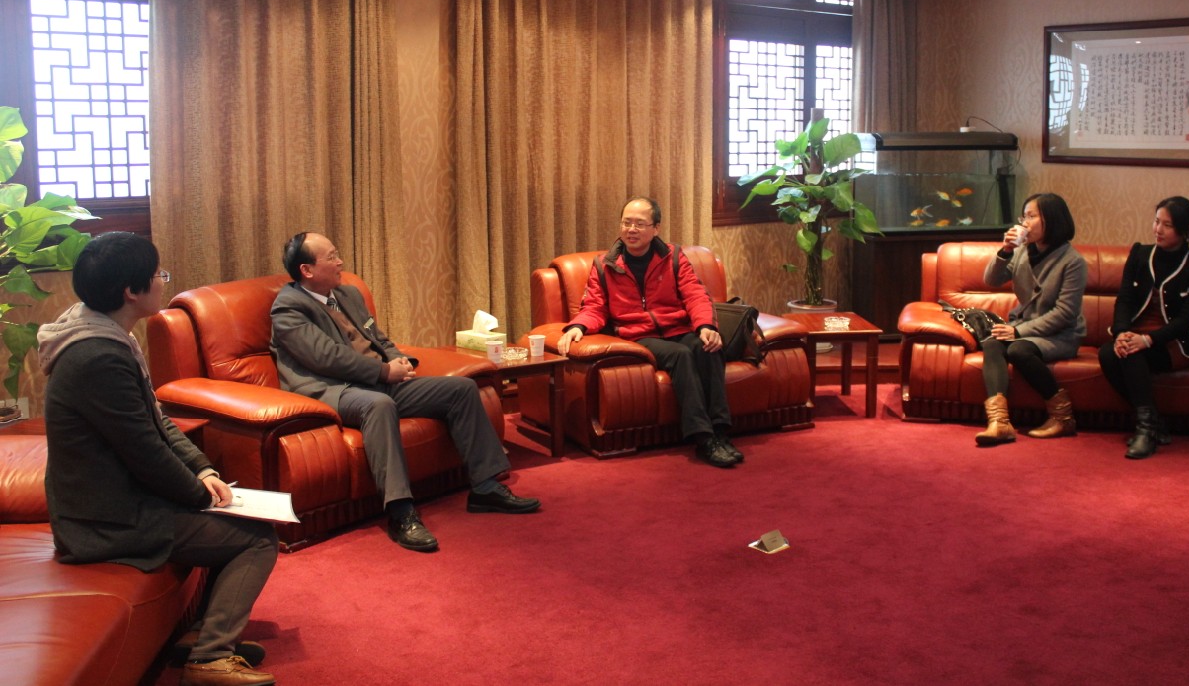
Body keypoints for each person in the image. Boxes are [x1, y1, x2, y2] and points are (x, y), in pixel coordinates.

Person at [39, 232, 278, 686]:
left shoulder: (102, 333)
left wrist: (202, 470)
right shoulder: (97, 357)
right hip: (104, 521)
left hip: (117, 502)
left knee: (235, 517)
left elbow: (156, 419)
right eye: (157, 275)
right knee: (257, 539)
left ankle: (199, 636)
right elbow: (145, 453)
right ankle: (209, 658)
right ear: (131, 291)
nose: (162, 282)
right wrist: (200, 498)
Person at [271, 232, 539, 553]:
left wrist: (402, 362)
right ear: (307, 270)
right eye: (331, 257)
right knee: (379, 405)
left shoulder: (348, 294)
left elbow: (379, 338)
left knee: (462, 389)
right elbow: (327, 357)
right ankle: (401, 513)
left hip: (379, 382)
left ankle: (485, 486)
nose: (340, 262)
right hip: (335, 390)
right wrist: (384, 372)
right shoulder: (289, 308)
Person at [556, 197, 740, 468]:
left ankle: (721, 432)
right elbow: (595, 306)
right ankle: (703, 438)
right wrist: (577, 326)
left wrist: (706, 326)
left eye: (640, 224)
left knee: (708, 347)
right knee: (680, 355)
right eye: (626, 223)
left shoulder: (673, 257)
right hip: (639, 335)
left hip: (678, 327)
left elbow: (696, 295)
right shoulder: (605, 265)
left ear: (656, 228)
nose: (631, 229)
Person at [1098, 197, 1189, 460]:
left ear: (1186, 231)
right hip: (1136, 334)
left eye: (1167, 225)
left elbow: (1186, 320)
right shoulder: (1140, 253)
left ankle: (1145, 431)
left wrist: (1147, 340)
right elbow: (1124, 299)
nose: (1157, 229)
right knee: (1107, 353)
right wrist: (1121, 333)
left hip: (1174, 343)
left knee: (1132, 354)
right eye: (1156, 221)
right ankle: (1154, 424)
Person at [976, 192, 1087, 447]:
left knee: (1018, 350)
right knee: (992, 342)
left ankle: (1062, 417)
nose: (1025, 223)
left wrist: (1018, 332)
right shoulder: (1022, 252)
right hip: (1026, 326)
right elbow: (991, 280)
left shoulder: (1073, 262)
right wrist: (1006, 251)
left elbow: (1065, 313)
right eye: (1023, 216)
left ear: (1052, 220)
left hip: (1061, 334)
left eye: (1031, 216)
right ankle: (999, 423)